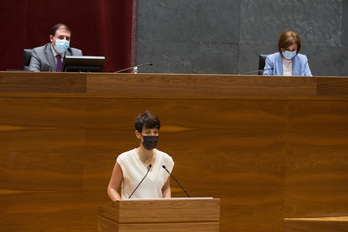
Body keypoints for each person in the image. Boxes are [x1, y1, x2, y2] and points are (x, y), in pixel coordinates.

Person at [107, 111, 174, 201]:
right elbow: (112, 189)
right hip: (131, 213)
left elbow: (166, 188)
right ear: (138, 134)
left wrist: (167, 205)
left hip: (157, 213)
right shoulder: (124, 160)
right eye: (148, 132)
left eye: (155, 132)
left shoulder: (166, 160)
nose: (152, 136)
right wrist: (121, 207)